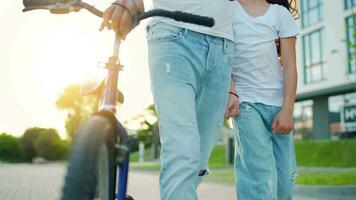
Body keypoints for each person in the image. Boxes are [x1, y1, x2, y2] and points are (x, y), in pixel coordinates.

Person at [100, 0, 239, 199]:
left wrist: (232, 84)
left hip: (223, 45)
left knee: (198, 162)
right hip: (173, 34)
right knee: (182, 149)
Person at [229, 0, 299, 199]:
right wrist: (230, 91)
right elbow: (222, 55)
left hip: (279, 105)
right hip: (246, 103)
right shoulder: (227, 10)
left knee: (285, 181)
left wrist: (288, 110)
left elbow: (290, 66)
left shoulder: (280, 14)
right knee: (260, 177)